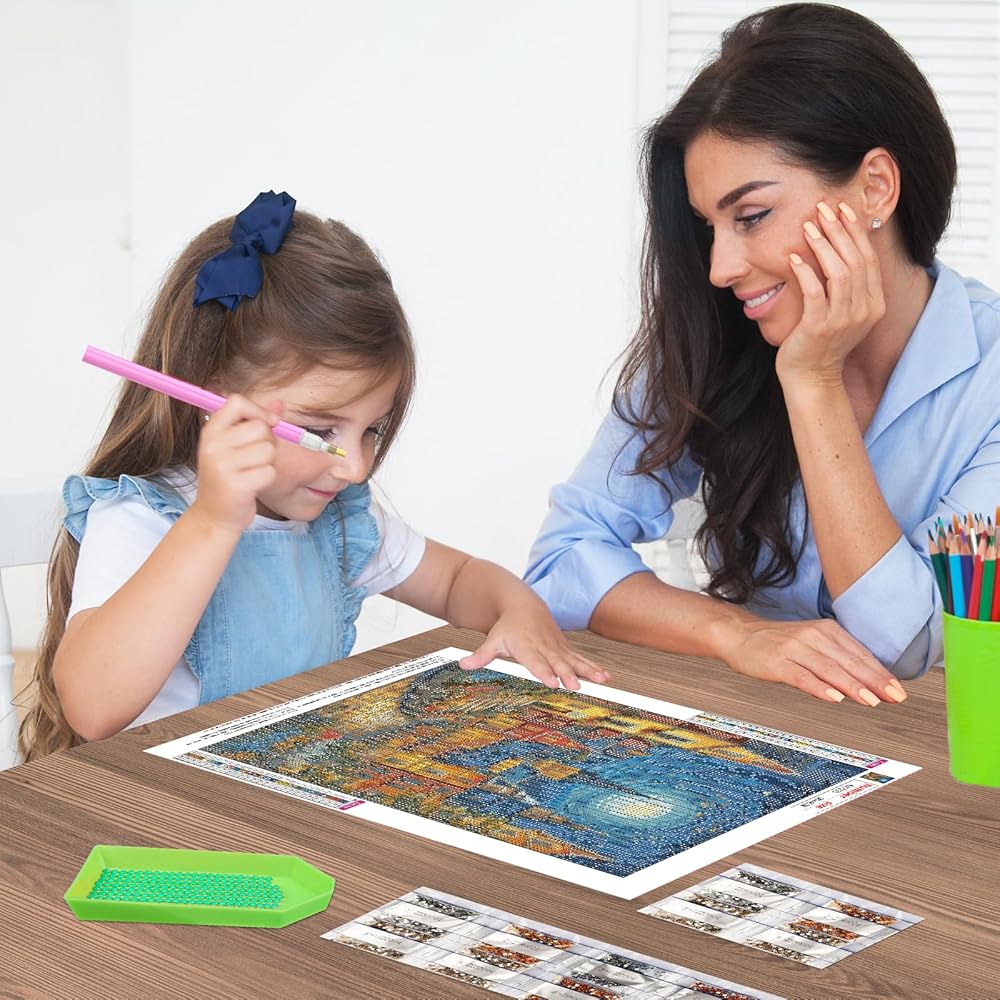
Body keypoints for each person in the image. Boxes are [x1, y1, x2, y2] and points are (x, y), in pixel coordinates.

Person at [20, 191, 608, 761]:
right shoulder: (141, 516)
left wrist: (521, 611)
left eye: (372, 429)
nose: (355, 467)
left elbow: (457, 581)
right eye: (319, 430)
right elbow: (92, 708)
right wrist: (213, 522)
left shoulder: (339, 522)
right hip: (160, 812)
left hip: (289, 798)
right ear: (214, 400)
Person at [525, 3, 1000, 706]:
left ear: (876, 187)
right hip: (757, 732)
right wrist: (736, 634)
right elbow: (563, 559)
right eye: (709, 226)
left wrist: (813, 382)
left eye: (751, 217)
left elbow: (906, 644)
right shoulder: (717, 334)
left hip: (939, 755)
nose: (720, 268)